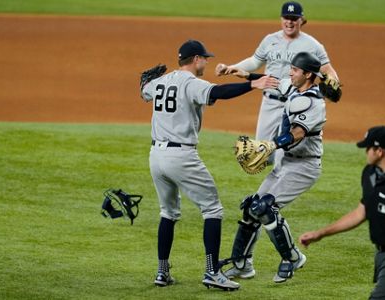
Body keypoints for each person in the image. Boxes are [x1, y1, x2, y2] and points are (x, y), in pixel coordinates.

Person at [140, 39, 276, 291]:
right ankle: (212, 272)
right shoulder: (191, 83)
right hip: (181, 156)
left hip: (155, 156)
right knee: (212, 209)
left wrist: (145, 83)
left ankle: (162, 272)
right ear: (195, 59)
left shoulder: (159, 82)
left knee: (167, 212)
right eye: (204, 58)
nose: (206, 61)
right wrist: (252, 84)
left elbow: (144, 90)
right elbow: (218, 93)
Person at [223, 52, 330, 283]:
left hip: (304, 166)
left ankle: (292, 258)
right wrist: (244, 73)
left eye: (295, 69)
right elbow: (272, 80)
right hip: (286, 162)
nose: (290, 72)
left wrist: (271, 145)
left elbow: (298, 133)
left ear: (308, 75)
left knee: (265, 207)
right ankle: (242, 264)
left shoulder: (314, 103)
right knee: (251, 206)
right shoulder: (293, 87)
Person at [299, 125, 385, 299]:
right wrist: (320, 234)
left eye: (368, 148)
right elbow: (361, 213)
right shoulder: (370, 174)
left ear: (379, 151)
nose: (366, 152)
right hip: (384, 255)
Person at [216, 1, 339, 147]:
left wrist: (334, 83)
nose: (289, 22)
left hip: (296, 103)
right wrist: (231, 68)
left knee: (287, 149)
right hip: (270, 101)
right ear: (281, 19)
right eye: (286, 17)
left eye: (293, 18)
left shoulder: (313, 45)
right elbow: (255, 61)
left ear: (301, 20)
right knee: (262, 150)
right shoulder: (270, 40)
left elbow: (327, 69)